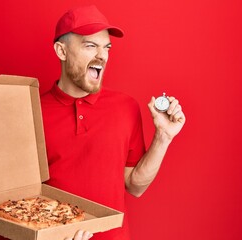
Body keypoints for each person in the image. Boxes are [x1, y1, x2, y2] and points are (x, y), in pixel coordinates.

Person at [41, 5, 186, 240]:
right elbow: (20, 199)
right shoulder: (32, 111)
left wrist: (163, 137)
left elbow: (134, 185)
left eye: (106, 47)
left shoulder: (125, 107)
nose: (102, 56)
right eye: (90, 46)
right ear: (62, 51)